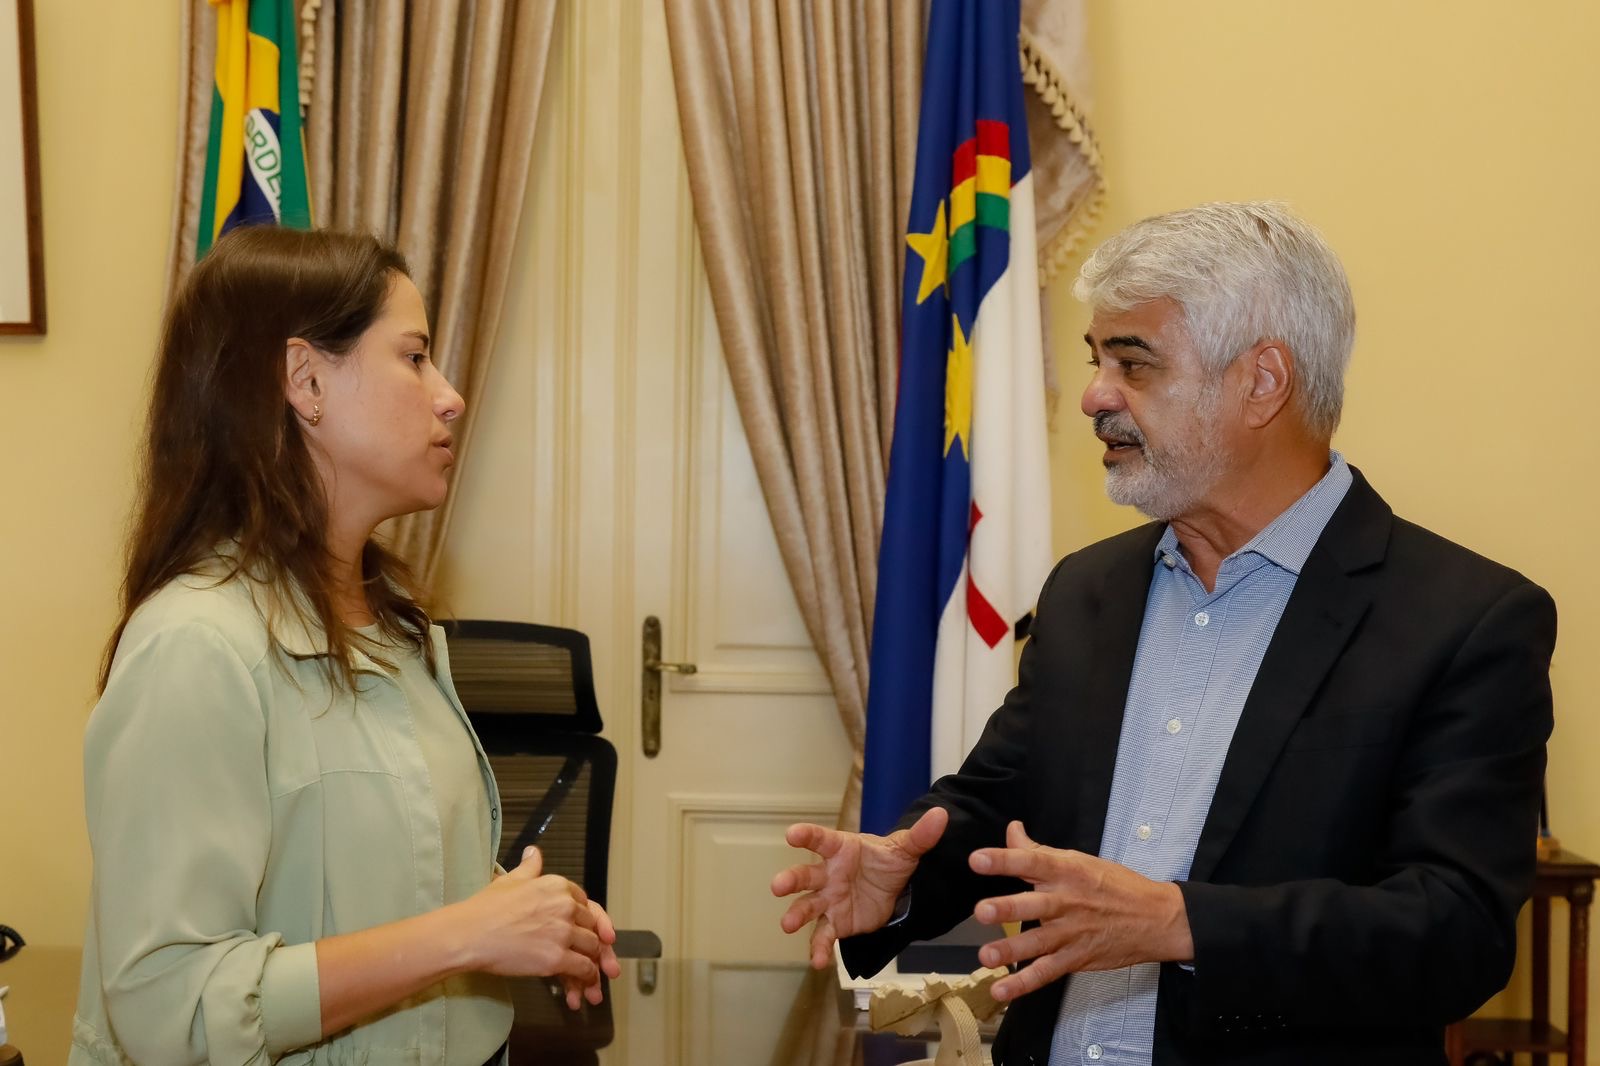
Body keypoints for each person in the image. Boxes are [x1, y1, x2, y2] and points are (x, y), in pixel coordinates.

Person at [773, 202, 1556, 1065]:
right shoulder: (1087, 590)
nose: (1094, 397)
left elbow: (1456, 932)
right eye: (1096, 361)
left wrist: (1181, 924)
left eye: (1133, 364)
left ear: (1263, 382)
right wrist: (904, 877)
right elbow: (1001, 803)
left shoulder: (1465, 620)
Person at [70, 226, 621, 1065]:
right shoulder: (194, 648)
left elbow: (385, 890)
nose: (450, 396)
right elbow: (169, 1009)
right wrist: (463, 935)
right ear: (307, 380)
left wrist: (519, 914)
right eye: (415, 357)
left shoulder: (396, 627)